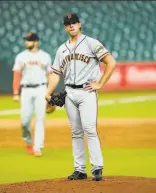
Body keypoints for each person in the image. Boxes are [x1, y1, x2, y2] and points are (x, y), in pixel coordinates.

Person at [45, 13, 116, 181]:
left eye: (74, 22)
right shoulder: (61, 49)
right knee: (76, 132)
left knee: (90, 129)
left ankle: (97, 167)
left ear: (79, 24)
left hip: (87, 92)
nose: (71, 25)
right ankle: (80, 170)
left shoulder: (91, 43)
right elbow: (55, 74)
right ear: (64, 27)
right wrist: (48, 92)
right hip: (69, 93)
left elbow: (111, 63)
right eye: (68, 23)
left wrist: (100, 83)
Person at [12, 32, 52, 157]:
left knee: (40, 119)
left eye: (29, 40)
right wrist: (15, 92)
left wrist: (50, 92)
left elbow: (50, 75)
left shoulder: (45, 56)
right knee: (24, 120)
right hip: (26, 90)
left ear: (36, 42)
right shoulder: (21, 57)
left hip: (41, 88)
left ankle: (38, 147)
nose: (26, 42)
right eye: (26, 40)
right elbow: (17, 75)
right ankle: (28, 142)